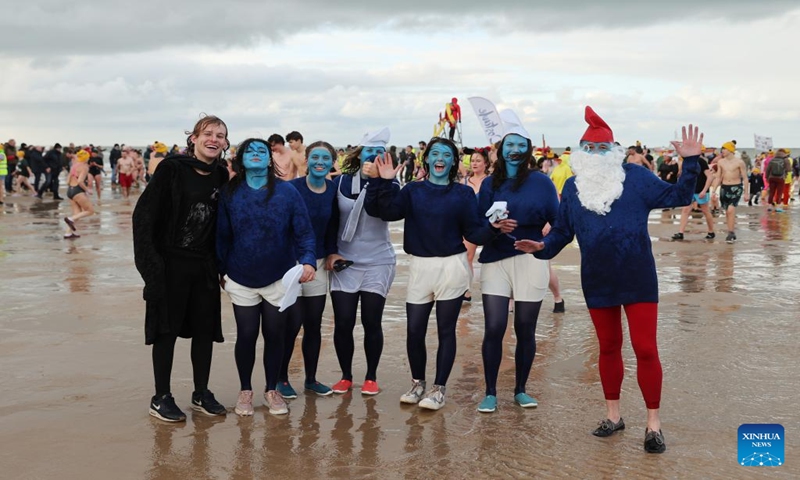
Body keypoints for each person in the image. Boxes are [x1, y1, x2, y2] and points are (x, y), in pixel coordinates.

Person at [517, 106, 703, 454]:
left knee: (646, 349)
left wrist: (690, 162)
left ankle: (653, 424)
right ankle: (613, 416)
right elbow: (561, 233)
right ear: (580, 153)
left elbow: (678, 196)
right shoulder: (573, 188)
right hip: (597, 278)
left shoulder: (636, 177)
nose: (597, 155)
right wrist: (541, 247)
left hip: (638, 276)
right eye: (590, 149)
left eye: (603, 148)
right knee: (607, 347)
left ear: (615, 151)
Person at [366, 137, 492, 411]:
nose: (440, 158)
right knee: (414, 330)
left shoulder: (463, 194)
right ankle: (417, 383)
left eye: (446, 154)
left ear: (453, 162)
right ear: (427, 160)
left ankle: (438, 389)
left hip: (452, 266)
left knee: (446, 330)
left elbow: (473, 233)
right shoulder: (412, 190)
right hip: (420, 266)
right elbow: (385, 212)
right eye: (434, 153)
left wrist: (494, 227)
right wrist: (383, 181)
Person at [132, 115, 231, 423]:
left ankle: (201, 392)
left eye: (220, 135)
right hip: (170, 263)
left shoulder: (222, 177)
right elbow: (143, 218)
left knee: (204, 331)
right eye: (208, 134)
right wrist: (151, 269)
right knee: (166, 331)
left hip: (203, 265)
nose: (214, 139)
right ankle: (161, 397)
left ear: (226, 143)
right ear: (194, 138)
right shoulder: (172, 170)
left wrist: (223, 266)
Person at [217, 137, 317, 416]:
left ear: (270, 158)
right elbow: (222, 236)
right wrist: (220, 270)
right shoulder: (228, 193)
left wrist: (308, 261)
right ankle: (245, 391)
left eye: (262, 150)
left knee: (275, 334)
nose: (257, 154)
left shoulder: (287, 192)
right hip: (240, 275)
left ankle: (272, 389)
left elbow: (304, 232)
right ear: (241, 159)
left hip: (279, 277)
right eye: (250, 151)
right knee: (246, 334)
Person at [474, 113, 559, 414]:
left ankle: (521, 389)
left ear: (528, 151)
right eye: (509, 144)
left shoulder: (542, 183)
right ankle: (490, 392)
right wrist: (494, 229)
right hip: (495, 260)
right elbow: (477, 228)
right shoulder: (488, 185)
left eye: (520, 145)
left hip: (530, 259)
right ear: (500, 149)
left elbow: (558, 223)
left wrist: (543, 245)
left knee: (525, 328)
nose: (514, 149)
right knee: (495, 327)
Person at [325, 127, 396, 396]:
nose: (375, 155)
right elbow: (331, 222)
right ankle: (345, 376)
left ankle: (371, 377)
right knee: (343, 321)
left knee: (371, 320)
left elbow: (387, 213)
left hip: (379, 261)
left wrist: (380, 181)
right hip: (345, 261)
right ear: (360, 153)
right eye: (370, 150)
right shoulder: (341, 182)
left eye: (380, 151)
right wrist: (331, 252)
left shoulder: (392, 183)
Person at [278, 141, 341, 400]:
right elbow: (280, 225)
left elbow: (333, 227)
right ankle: (281, 379)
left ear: (331, 162)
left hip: (318, 264)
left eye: (325, 158)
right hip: (291, 265)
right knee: (291, 325)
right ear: (306, 159)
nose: (319, 162)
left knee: (313, 325)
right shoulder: (291, 189)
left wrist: (333, 252)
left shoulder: (332, 191)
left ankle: (311, 379)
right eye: (315, 157)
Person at [461, 146, 491, 301]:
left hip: (489, 224)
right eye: (472, 160)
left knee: (493, 259)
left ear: (485, 163)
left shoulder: (492, 181)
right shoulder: (464, 181)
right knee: (467, 256)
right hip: (470, 224)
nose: (474, 163)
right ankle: (467, 290)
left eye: (478, 160)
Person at [672, 151, 715, 240]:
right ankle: (680, 233)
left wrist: (704, 190)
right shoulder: (685, 161)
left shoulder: (701, 161)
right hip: (689, 190)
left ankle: (711, 231)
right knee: (685, 210)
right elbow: (682, 176)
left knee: (705, 211)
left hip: (701, 190)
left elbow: (710, 177)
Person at [712, 142, 750, 242]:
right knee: (727, 212)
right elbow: (718, 177)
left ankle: (730, 233)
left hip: (736, 187)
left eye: (724, 149)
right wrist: (714, 191)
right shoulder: (720, 162)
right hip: (724, 188)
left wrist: (746, 193)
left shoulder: (739, 162)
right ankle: (730, 231)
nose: (722, 151)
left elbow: (745, 178)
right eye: (722, 149)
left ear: (730, 150)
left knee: (731, 210)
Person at [63, 149, 95, 238]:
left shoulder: (74, 166)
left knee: (77, 213)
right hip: (77, 190)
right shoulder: (84, 167)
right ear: (85, 158)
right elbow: (80, 181)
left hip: (70, 190)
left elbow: (67, 180)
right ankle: (70, 219)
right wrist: (87, 190)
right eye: (88, 158)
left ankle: (68, 233)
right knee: (90, 211)